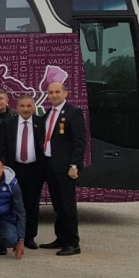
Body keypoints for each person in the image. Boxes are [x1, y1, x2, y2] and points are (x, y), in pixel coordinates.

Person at [39, 82, 87, 256]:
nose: (54, 95)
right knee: (58, 205)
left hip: (66, 168)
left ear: (65, 93)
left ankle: (73, 243)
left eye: (57, 92)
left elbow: (80, 142)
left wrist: (74, 165)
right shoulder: (48, 113)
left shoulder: (73, 113)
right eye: (51, 92)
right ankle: (61, 238)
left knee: (67, 206)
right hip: (50, 165)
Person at [0, 95, 45, 249]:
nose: (25, 109)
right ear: (17, 108)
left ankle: (29, 237)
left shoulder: (41, 123)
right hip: (14, 169)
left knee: (31, 204)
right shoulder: (8, 123)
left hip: (34, 170)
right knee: (13, 203)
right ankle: (14, 235)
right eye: (22, 106)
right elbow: (2, 146)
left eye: (29, 106)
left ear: (34, 108)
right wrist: (4, 168)